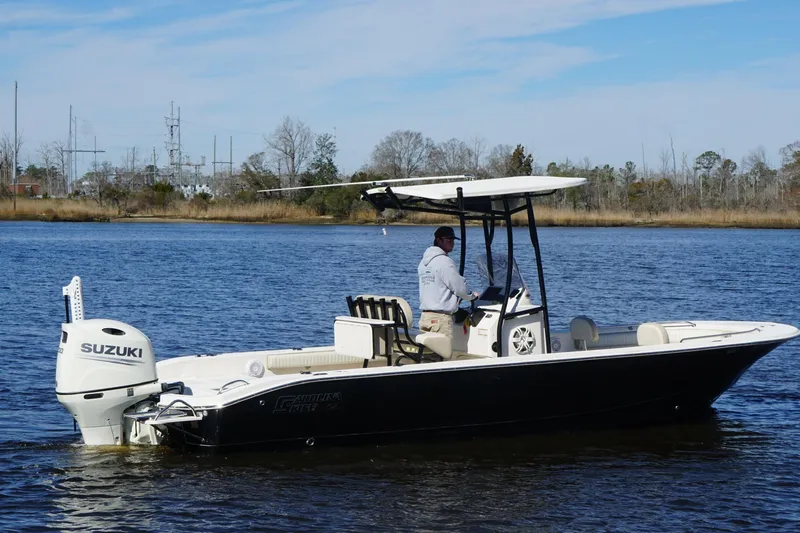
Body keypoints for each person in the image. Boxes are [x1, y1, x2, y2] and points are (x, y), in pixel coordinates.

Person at [418, 226, 479, 339]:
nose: (452, 242)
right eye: (448, 239)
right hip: (441, 320)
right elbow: (460, 287)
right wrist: (472, 296)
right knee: (443, 355)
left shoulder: (423, 262)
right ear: (438, 240)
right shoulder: (445, 262)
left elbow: (437, 288)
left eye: (453, 239)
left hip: (425, 317)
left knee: (427, 354)